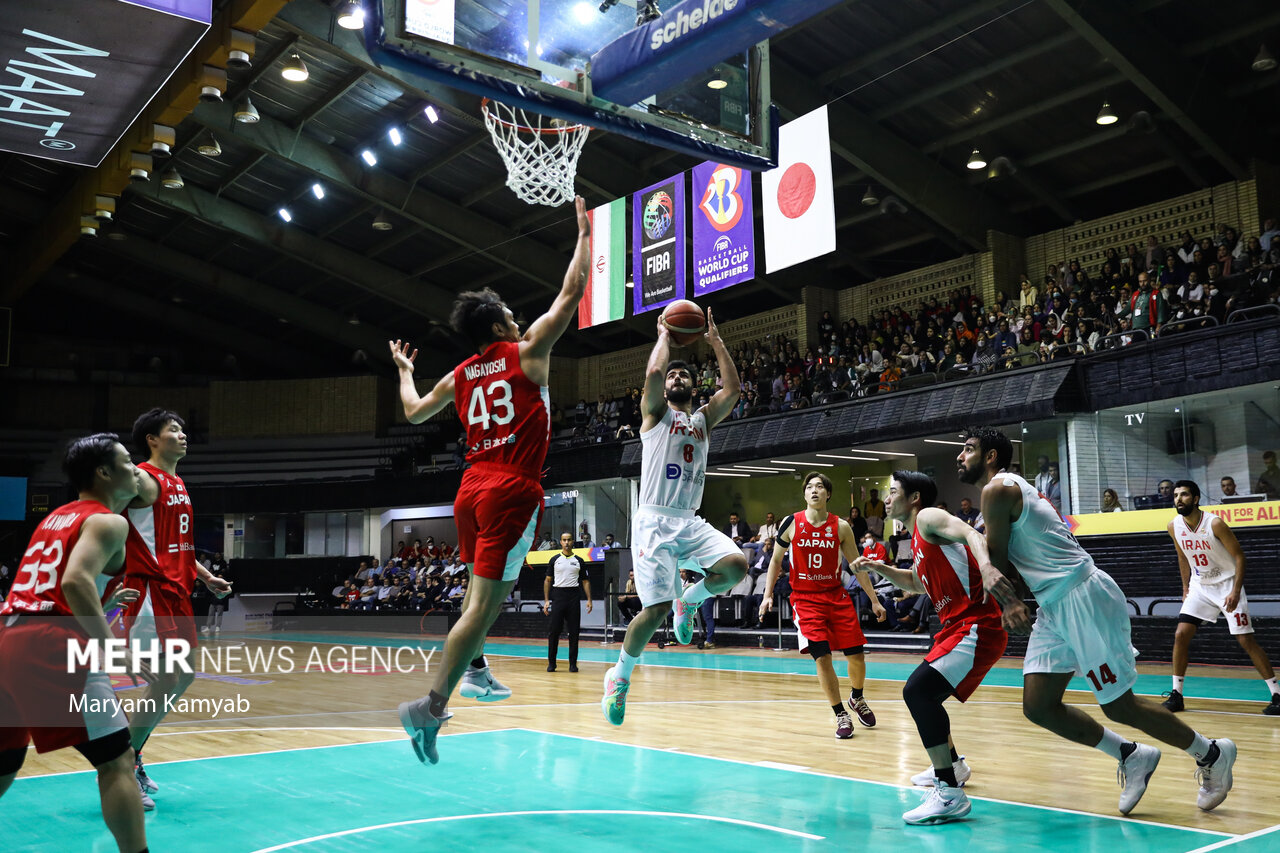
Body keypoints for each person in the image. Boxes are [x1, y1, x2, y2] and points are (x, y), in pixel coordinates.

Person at [395, 196, 591, 765]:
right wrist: (582, 235)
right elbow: (572, 294)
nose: (516, 314)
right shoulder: (528, 354)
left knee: (485, 598)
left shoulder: (460, 375)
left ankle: (476, 668)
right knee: (482, 607)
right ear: (501, 323)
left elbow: (412, 414)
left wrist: (406, 373)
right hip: (511, 488)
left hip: (470, 489)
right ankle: (429, 707)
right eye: (508, 310)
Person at [961, 427, 1237, 815]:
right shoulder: (1008, 491)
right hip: (1054, 604)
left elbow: (999, 563)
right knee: (1038, 705)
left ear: (991, 457)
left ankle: (1210, 754)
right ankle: (1130, 754)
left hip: (1081, 596)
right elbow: (1007, 561)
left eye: (969, 450)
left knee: (1119, 706)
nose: (961, 457)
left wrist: (1006, 599)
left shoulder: (998, 489)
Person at [0, 434, 149, 853]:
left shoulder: (57, 517)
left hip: (9, 636)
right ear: (103, 472)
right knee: (117, 759)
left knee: (5, 759)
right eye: (126, 461)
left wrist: (103, 602)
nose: (136, 468)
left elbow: (51, 587)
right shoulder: (108, 520)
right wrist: (116, 650)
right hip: (51, 646)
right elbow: (73, 581)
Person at [600, 309, 748, 726]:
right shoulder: (655, 416)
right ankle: (619, 676)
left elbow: (733, 389)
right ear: (664, 390)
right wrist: (664, 336)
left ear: (694, 385)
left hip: (690, 519)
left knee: (735, 566)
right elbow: (651, 376)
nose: (676, 378)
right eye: (672, 377)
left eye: (684, 375)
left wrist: (716, 341)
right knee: (655, 610)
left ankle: (692, 599)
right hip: (654, 522)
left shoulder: (702, 419)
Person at [855, 470, 1009, 825]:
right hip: (956, 627)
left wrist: (986, 567)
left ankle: (950, 790)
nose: (887, 499)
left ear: (914, 499)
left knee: (919, 692)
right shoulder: (919, 540)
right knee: (926, 694)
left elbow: (971, 532)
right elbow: (917, 583)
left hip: (976, 624)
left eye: (893, 492)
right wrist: (880, 566)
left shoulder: (928, 517)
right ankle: (953, 764)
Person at [117, 409, 232, 808]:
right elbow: (103, 517)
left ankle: (131, 754)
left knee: (180, 679)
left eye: (183, 429)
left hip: (177, 592)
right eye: (174, 430)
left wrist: (203, 576)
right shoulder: (142, 479)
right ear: (152, 438)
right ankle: (121, 766)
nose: (183, 435)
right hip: (149, 593)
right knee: (169, 678)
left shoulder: (177, 481)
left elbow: (176, 543)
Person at [760, 472, 886, 739]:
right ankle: (841, 713)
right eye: (809, 487)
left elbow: (856, 566)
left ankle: (857, 697)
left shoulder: (840, 526)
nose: (814, 490)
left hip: (836, 597)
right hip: (805, 600)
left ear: (828, 494)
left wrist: (874, 600)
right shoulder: (791, 523)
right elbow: (774, 561)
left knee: (857, 656)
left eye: (819, 487)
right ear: (804, 494)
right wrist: (767, 594)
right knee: (823, 655)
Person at [1162, 481, 1279, 716]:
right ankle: (1177, 695)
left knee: (1246, 640)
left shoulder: (1214, 523)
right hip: (1199, 587)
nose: (1178, 499)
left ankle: (1277, 694)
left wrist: (1236, 590)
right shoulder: (1173, 526)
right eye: (1175, 495)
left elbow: (1239, 557)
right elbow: (1183, 558)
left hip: (1226, 585)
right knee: (1181, 634)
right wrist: (1185, 587)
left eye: (1184, 495)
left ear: (1195, 499)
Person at [544, 532, 593, 672]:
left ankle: (573, 664)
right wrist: (547, 600)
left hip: (573, 597)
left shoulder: (579, 560)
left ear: (572, 542)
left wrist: (589, 599)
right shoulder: (554, 559)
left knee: (574, 632)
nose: (566, 542)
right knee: (554, 632)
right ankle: (552, 663)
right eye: (564, 540)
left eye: (569, 540)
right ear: (560, 542)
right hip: (558, 596)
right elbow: (547, 580)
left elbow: (585, 581)